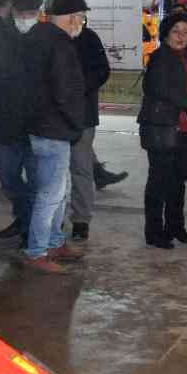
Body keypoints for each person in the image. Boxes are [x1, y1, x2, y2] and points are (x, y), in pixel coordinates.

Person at [19, 0, 89, 272]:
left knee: (59, 190)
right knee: (50, 193)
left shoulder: (36, 38)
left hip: (40, 123)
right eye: (81, 17)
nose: (81, 22)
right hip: (54, 127)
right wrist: (75, 122)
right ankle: (37, 252)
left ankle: (54, 241)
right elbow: (65, 91)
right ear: (71, 18)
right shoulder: (59, 45)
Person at [139, 14, 187, 248]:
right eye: (176, 31)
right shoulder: (159, 58)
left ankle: (175, 227)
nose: (180, 36)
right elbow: (160, 88)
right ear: (166, 33)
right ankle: (154, 231)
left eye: (185, 32)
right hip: (162, 128)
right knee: (159, 181)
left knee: (178, 181)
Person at [0, 0, 38, 239]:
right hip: (7, 122)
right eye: (23, 13)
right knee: (8, 177)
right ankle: (25, 217)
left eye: (32, 13)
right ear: (13, 13)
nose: (27, 18)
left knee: (39, 182)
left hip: (37, 126)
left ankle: (33, 229)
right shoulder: (0, 38)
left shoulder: (45, 38)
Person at [67, 21, 111, 241]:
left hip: (82, 116)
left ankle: (81, 220)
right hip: (50, 117)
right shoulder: (46, 37)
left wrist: (79, 88)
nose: (76, 19)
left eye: (79, 14)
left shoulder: (89, 38)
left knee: (81, 168)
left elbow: (103, 71)